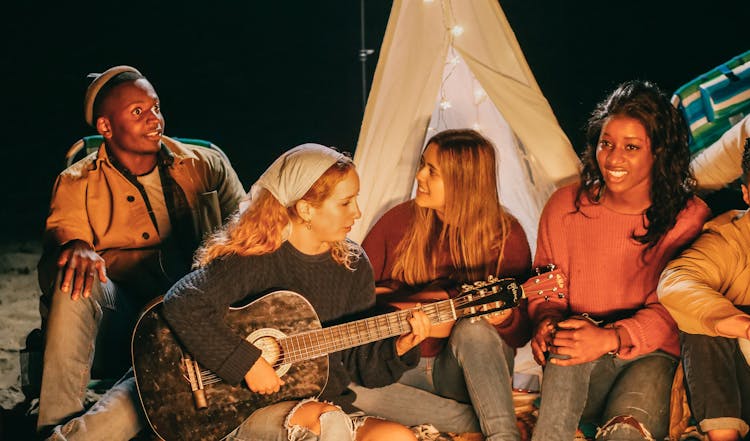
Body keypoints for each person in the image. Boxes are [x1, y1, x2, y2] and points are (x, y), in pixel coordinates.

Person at [162, 143, 431, 441]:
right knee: (326, 422)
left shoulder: (353, 265)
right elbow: (182, 302)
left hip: (324, 402)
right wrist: (246, 362)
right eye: (345, 203)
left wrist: (399, 347)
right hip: (244, 408)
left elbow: (361, 368)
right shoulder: (256, 257)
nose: (357, 212)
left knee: (398, 437)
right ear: (306, 209)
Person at [36, 65, 246, 440]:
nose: (155, 120)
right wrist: (76, 247)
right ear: (105, 127)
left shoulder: (203, 165)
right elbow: (61, 244)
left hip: (198, 313)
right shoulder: (78, 183)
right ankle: (55, 423)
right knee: (74, 279)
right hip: (127, 315)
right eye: (138, 112)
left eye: (156, 108)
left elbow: (249, 233)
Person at [528, 80, 711, 441]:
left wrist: (610, 337)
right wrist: (546, 321)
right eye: (606, 144)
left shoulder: (687, 217)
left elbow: (676, 310)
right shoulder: (564, 206)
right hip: (578, 350)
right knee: (566, 344)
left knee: (625, 435)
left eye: (631, 147)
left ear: (658, 152)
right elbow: (545, 287)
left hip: (650, 356)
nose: (613, 159)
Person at [347, 129, 532, 440]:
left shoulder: (505, 236)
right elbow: (358, 301)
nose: (419, 175)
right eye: (423, 164)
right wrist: (401, 319)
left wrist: (504, 318)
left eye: (433, 171)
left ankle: (503, 435)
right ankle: (484, 418)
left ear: (464, 180)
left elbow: (522, 331)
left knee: (472, 328)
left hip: (462, 373)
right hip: (403, 368)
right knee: (347, 389)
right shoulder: (397, 221)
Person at [658, 137, 750, 441]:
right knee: (704, 322)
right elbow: (677, 280)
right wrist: (733, 321)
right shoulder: (730, 239)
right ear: (747, 193)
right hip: (741, 384)